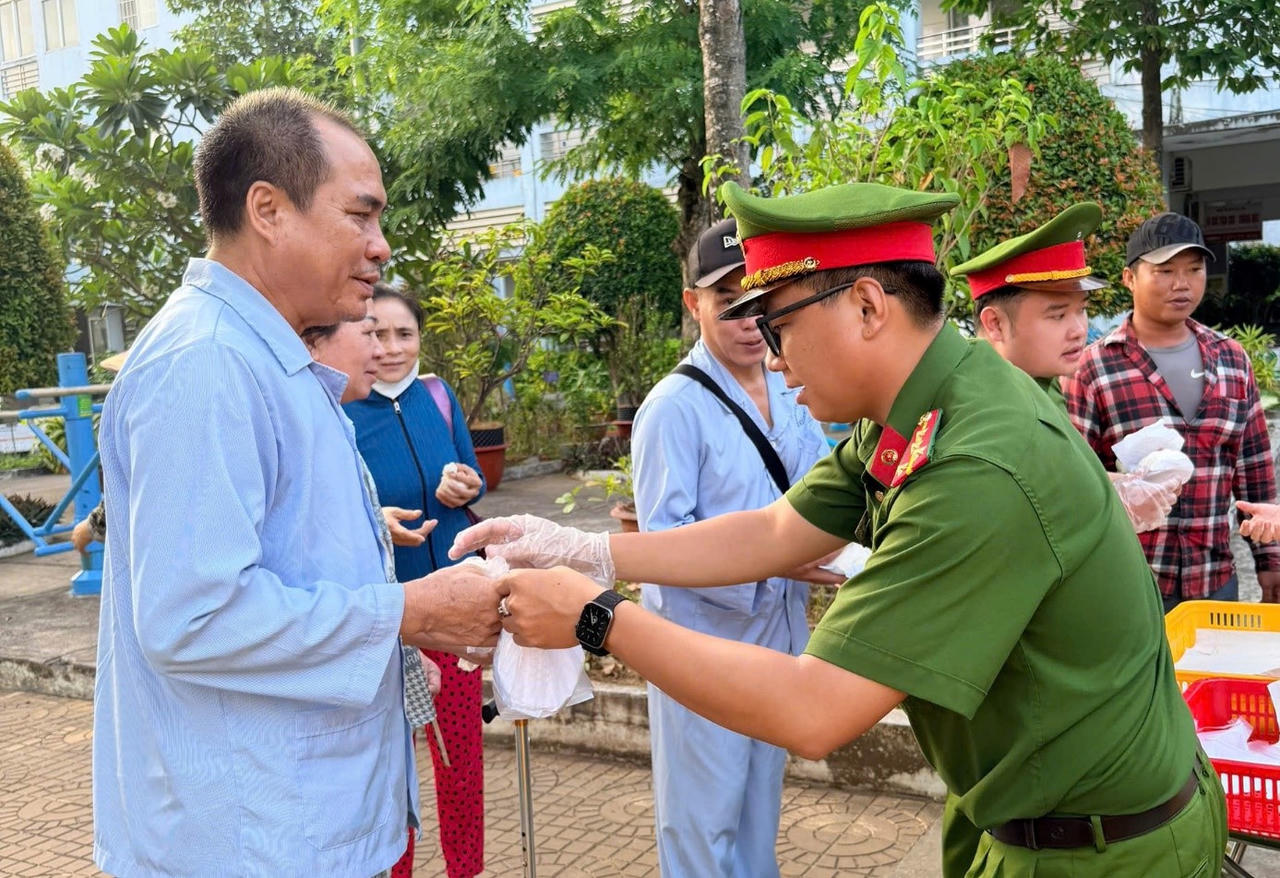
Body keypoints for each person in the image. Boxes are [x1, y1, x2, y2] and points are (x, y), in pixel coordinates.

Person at [454, 181, 1227, 877]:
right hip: (1040, 812)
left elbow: (814, 710)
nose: (773, 355)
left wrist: (595, 617)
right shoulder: (929, 398)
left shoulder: (977, 463)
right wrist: (591, 549)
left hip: (1101, 850)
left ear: (867, 306)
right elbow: (776, 528)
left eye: (778, 322)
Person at [92, 87, 503, 877]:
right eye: (361, 215)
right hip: (248, 841)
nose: (381, 246)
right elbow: (192, 615)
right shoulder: (205, 364)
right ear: (269, 210)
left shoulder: (271, 357)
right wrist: (407, 611)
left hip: (297, 824)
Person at [631, 217, 834, 877]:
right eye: (728, 302)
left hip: (777, 646)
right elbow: (661, 549)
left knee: (756, 816)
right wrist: (771, 560)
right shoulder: (672, 409)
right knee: (700, 826)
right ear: (694, 305)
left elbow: (817, 488)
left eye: (761, 302)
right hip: (702, 653)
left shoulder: (793, 387)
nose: (750, 320)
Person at [1062, 211, 1280, 608]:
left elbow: (1254, 468)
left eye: (1194, 269)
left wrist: (1270, 560)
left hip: (1215, 581)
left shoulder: (1231, 359)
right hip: (1127, 582)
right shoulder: (1093, 366)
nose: (1182, 283)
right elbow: (1073, 477)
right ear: (1130, 278)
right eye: (1164, 271)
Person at [345, 284, 487, 878]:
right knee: (390, 768)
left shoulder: (438, 396)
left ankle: (466, 871)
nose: (391, 348)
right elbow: (330, 511)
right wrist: (372, 523)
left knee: (460, 762)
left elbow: (473, 474)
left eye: (405, 334)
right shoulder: (342, 409)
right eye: (376, 333)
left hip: (454, 614)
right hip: (391, 620)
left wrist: (467, 485)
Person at [952, 202, 1180, 535]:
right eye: (1057, 315)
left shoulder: (1042, 383)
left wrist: (1122, 484)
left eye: (1081, 310)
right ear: (996, 325)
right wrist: (1107, 502)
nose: (1078, 330)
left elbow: (1059, 473)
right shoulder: (979, 409)